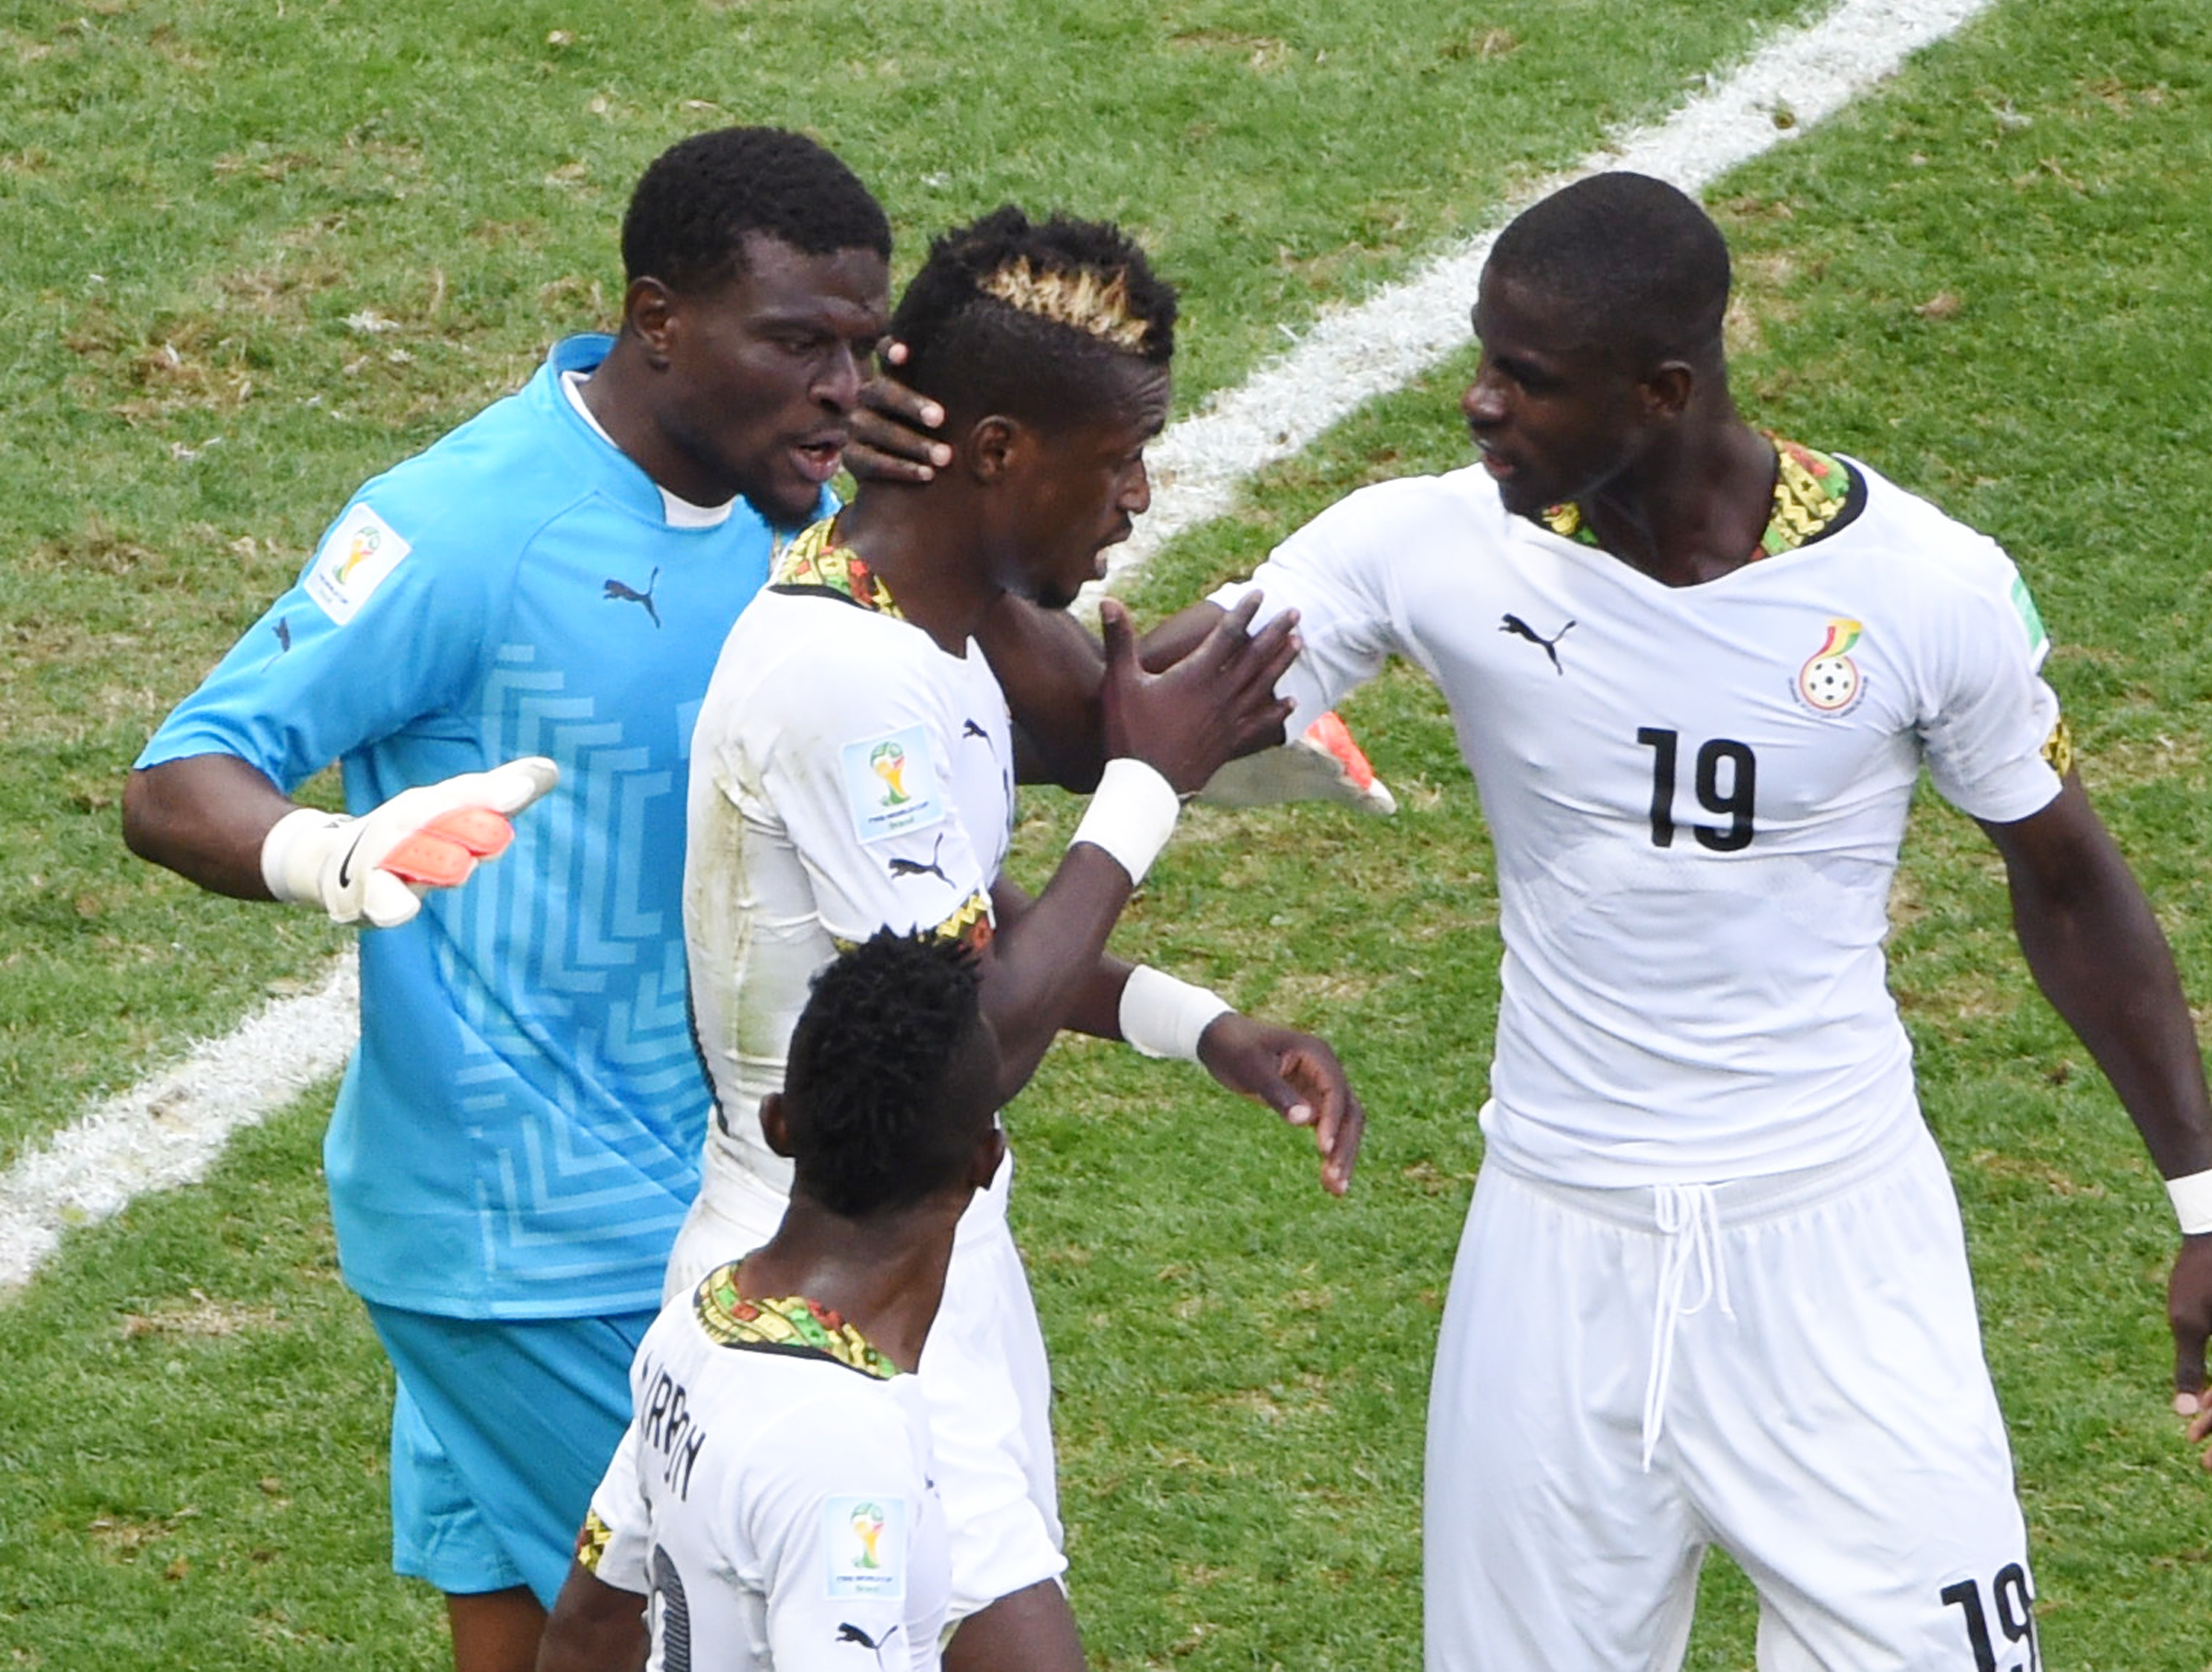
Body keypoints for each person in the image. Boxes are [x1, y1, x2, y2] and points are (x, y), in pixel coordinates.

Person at [858, 172, 2212, 1671]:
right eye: (1482, 360)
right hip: (1550, 1247)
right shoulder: (1430, 548)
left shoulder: (1924, 592)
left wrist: (2205, 1204)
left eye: (1524, 383)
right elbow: (1117, 705)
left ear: (1662, 391)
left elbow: (2068, 886)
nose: (1476, 406)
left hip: (1835, 1249)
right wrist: (906, 501)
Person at [119, 128, 898, 1672]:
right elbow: (182, 772)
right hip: (529, 1235)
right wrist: (330, 854)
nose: (840, 386)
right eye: (796, 343)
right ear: (656, 318)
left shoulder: (786, 513)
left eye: (862, 348)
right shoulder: (471, 522)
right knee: (714, 1637)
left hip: (665, 1203)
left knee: (528, 1643)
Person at [671, 205, 1365, 1672]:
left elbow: (960, 938)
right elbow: (967, 1046)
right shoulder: (842, 678)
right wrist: (1144, 785)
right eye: (1114, 460)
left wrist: (1200, 1024)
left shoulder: (945, 628)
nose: (1137, 498)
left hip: (915, 1270)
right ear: (995, 452)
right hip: (827, 1296)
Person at [539, 932, 1001, 1672]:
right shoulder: (846, 1441)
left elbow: (588, 1626)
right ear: (987, 1160)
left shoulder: (693, 1327)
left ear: (778, 1124)